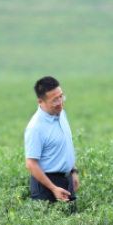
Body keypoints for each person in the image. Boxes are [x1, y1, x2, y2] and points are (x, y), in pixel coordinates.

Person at [25, 76, 80, 204]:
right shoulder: (35, 128)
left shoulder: (61, 114)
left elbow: (65, 145)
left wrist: (73, 171)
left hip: (66, 180)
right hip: (46, 186)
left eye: (61, 97)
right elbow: (31, 164)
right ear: (41, 101)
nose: (60, 102)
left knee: (71, 216)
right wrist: (53, 188)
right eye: (55, 100)